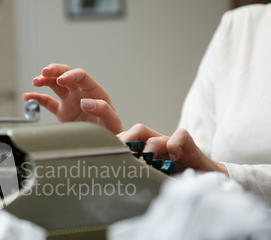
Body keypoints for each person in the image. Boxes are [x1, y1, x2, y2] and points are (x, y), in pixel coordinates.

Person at [23, 4, 271, 204]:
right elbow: (190, 170)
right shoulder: (239, 28)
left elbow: (211, 172)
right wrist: (109, 151)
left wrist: (226, 175)